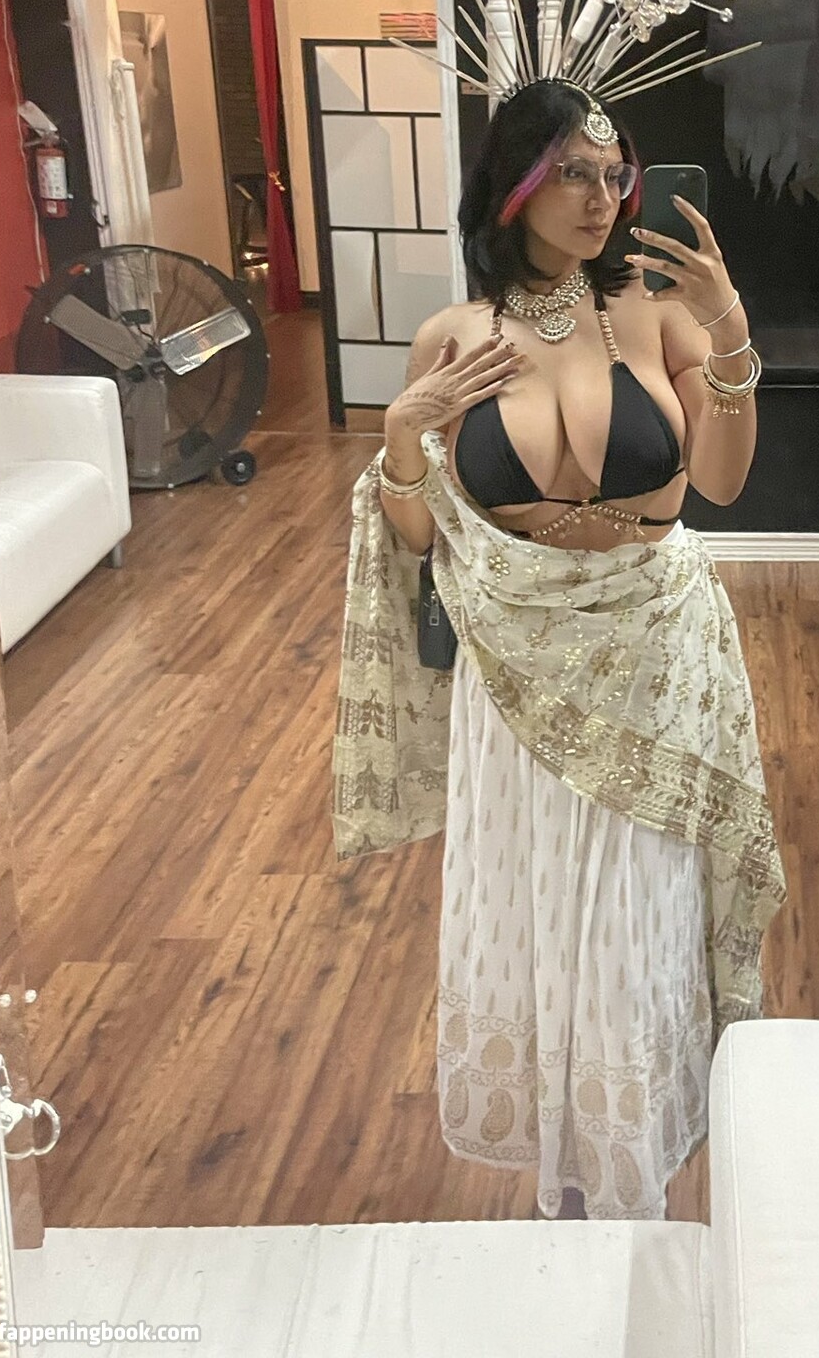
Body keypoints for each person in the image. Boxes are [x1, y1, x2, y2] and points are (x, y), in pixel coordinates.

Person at [332, 74, 785, 1224]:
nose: (599, 197)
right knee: (533, 905)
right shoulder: (455, 338)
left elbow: (722, 481)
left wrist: (729, 332)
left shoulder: (657, 316)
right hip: (517, 673)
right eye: (572, 173)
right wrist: (401, 437)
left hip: (653, 653)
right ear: (515, 186)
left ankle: (633, 1146)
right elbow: (419, 536)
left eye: (613, 173)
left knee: (638, 914)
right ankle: (563, 1158)